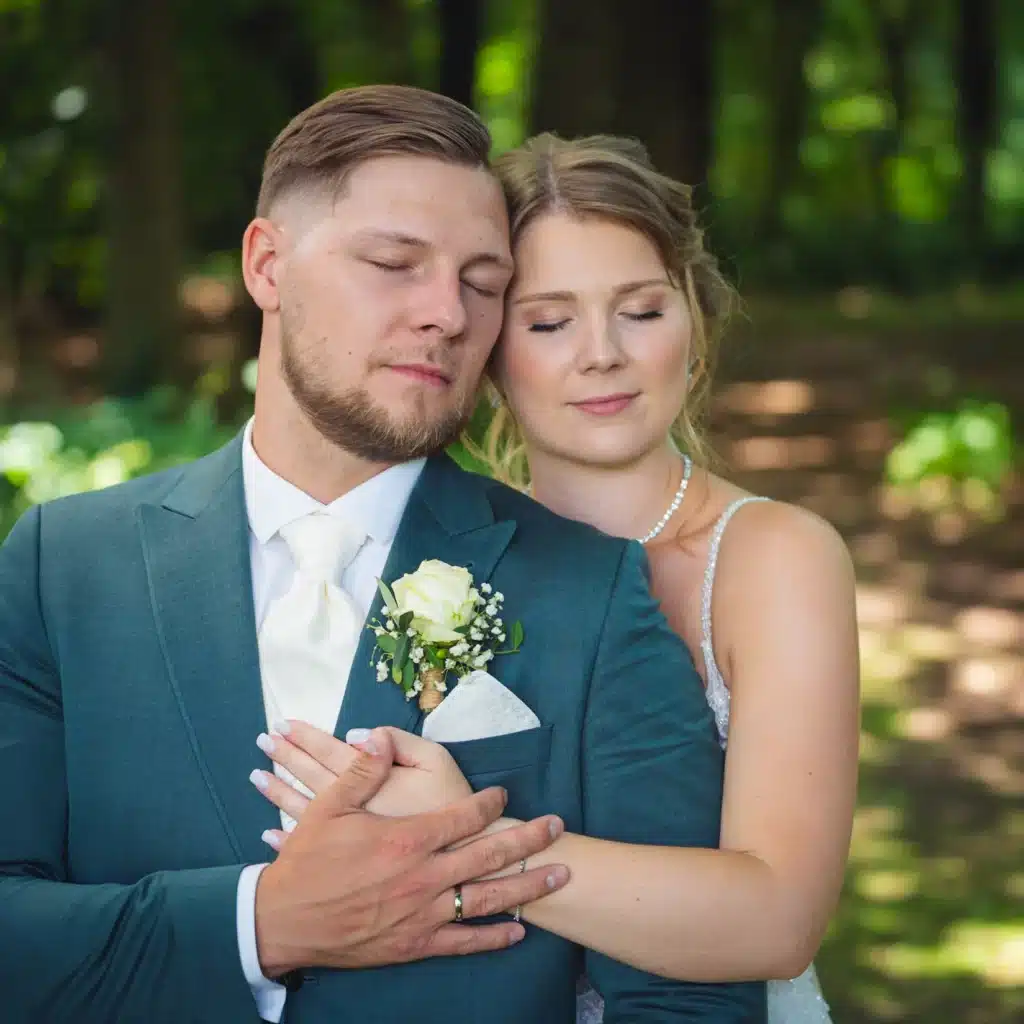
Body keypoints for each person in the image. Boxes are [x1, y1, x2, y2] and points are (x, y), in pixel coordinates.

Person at [0, 88, 764, 1023]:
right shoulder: (61, 566)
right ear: (268, 264)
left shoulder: (590, 590)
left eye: (484, 285)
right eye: (395, 263)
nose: (446, 314)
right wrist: (260, 924)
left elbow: (694, 1001)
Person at [251, 133, 860, 1023]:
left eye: (641, 311)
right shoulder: (433, 557)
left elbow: (778, 920)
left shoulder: (777, 557)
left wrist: (468, 845)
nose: (602, 354)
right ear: (489, 341)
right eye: (548, 321)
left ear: (692, 317)